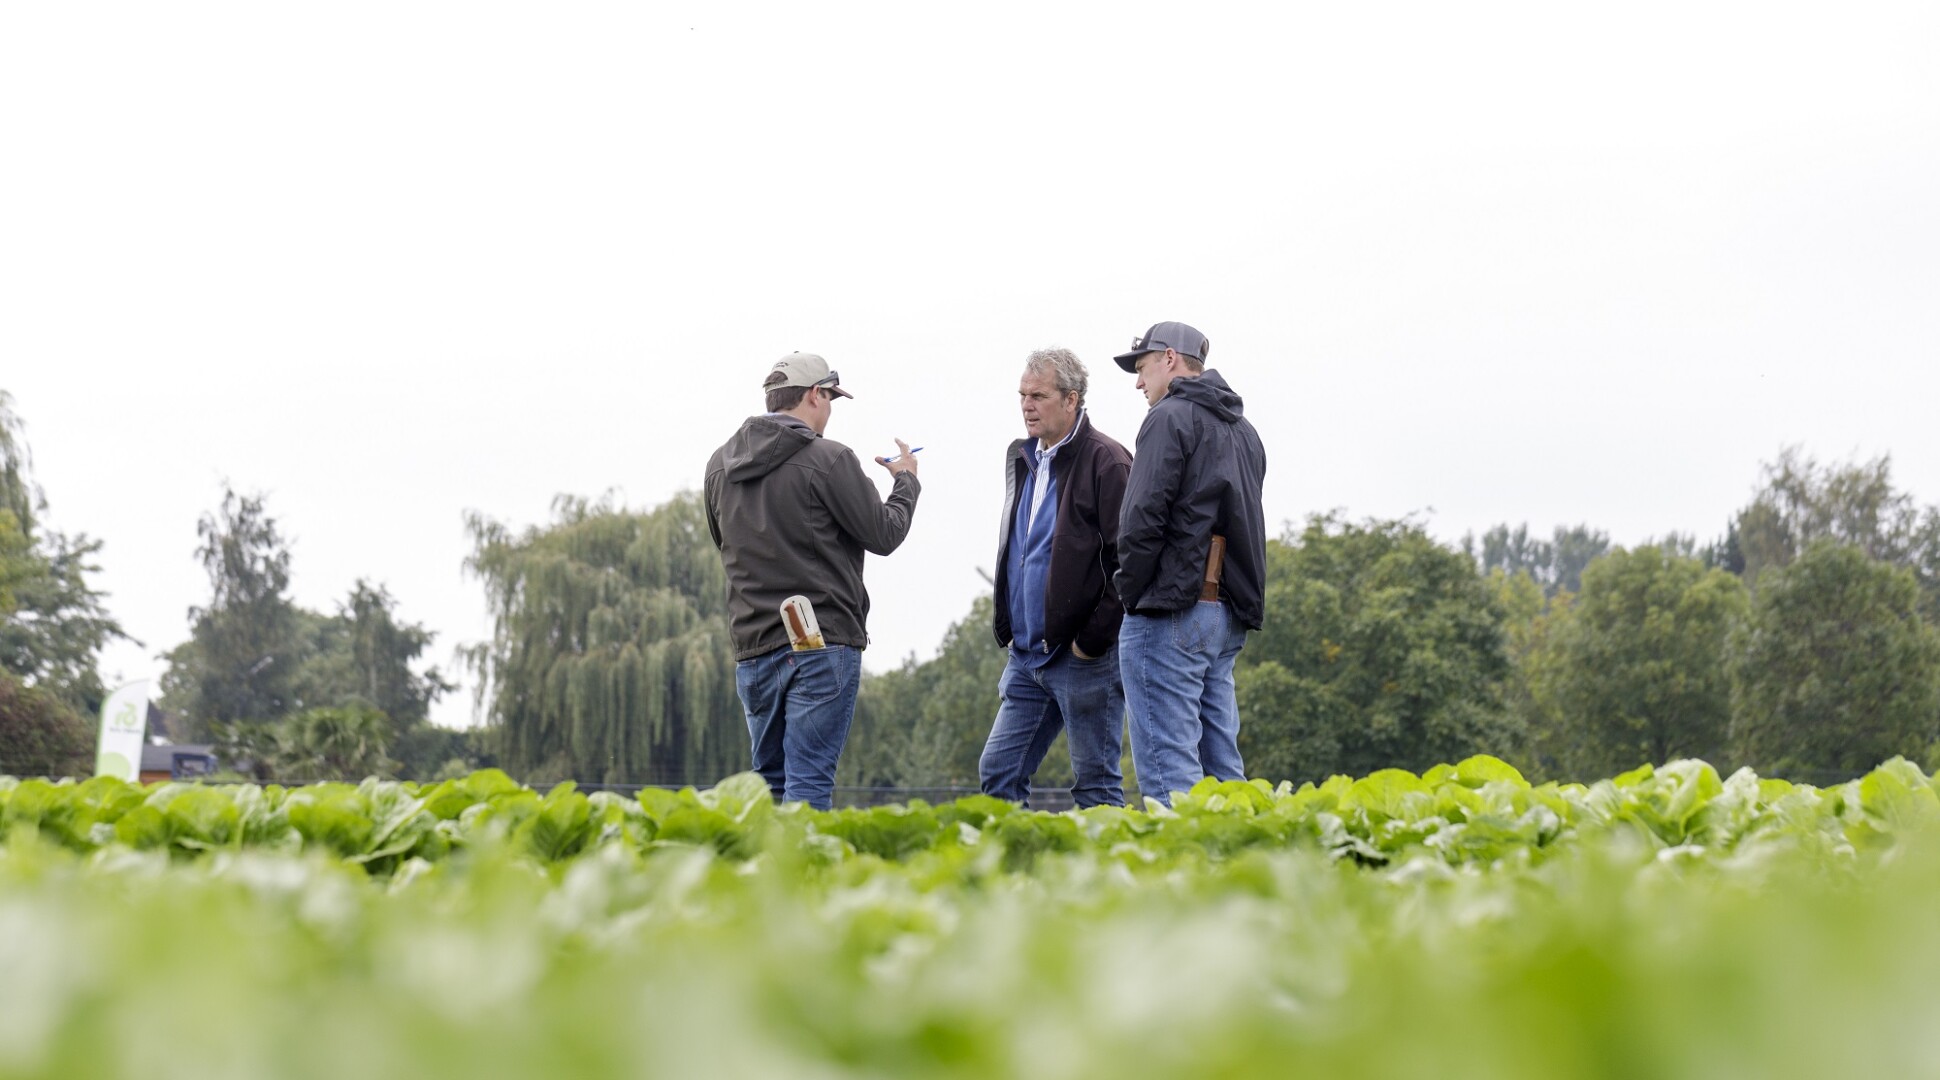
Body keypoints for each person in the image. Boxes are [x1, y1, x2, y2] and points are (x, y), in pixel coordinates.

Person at [703, 352, 921, 810]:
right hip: (819, 641)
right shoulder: (830, 458)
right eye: (831, 398)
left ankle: (769, 878)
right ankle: (802, 879)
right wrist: (905, 483)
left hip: (754, 646)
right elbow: (883, 535)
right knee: (808, 784)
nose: (829, 411)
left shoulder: (719, 466)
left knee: (769, 786)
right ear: (814, 394)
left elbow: (722, 540)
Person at [1111, 321, 1267, 806]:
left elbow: (1141, 518)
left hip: (1171, 612)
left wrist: (1130, 595)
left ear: (1170, 359)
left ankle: (1184, 880)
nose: (1139, 382)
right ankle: (1246, 872)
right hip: (1224, 615)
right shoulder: (1246, 432)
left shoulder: (1168, 417)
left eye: (1142, 367)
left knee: (1168, 776)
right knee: (1225, 776)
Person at [980, 348, 1134, 808]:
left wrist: (1092, 641)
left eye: (1039, 396)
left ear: (1071, 399)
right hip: (1027, 657)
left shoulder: (1108, 460)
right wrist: (1009, 628)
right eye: (1022, 395)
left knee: (1096, 786)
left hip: (1084, 658)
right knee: (997, 773)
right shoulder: (1025, 459)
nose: (1027, 405)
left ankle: (1113, 878)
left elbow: (1130, 562)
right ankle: (1020, 878)